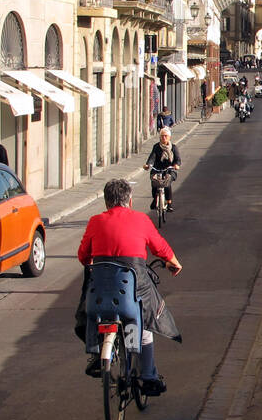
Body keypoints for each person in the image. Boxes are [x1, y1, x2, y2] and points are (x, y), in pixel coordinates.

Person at [75, 178, 182, 395]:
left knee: (92, 311)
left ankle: (97, 354)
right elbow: (159, 247)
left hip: (102, 288)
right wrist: (173, 261)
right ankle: (149, 376)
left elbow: (83, 256)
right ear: (130, 201)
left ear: (106, 203)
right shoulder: (141, 219)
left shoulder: (95, 221)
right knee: (145, 324)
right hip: (134, 285)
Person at [142, 127, 181, 211]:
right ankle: (155, 198)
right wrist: (148, 165)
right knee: (154, 182)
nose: (164, 138)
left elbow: (178, 159)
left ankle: (169, 203)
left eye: (166, 136)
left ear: (169, 137)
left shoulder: (173, 148)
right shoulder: (156, 147)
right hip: (157, 169)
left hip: (169, 169)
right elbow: (152, 157)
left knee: (167, 183)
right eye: (162, 136)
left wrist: (176, 165)